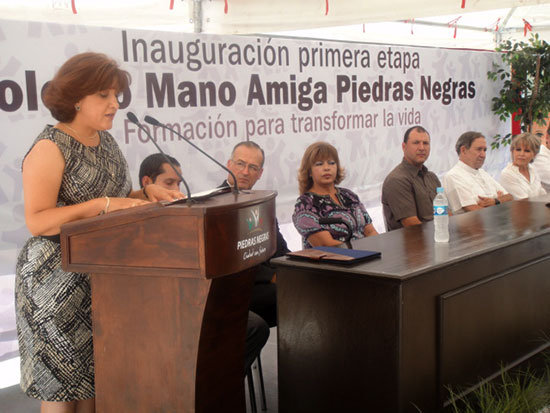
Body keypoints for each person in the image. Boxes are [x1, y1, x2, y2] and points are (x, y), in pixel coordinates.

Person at [15, 52, 183, 413]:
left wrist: (144, 194)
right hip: (53, 280)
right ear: (77, 97)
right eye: (104, 95)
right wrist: (103, 204)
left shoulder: (105, 142)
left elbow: (114, 200)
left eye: (116, 95)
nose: (115, 104)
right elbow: (39, 220)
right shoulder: (51, 146)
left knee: (95, 384)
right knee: (62, 392)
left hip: (101, 279)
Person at [139, 152, 269, 370]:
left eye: (179, 183)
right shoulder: (135, 220)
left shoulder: (181, 215)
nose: (176, 191)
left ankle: (214, 389)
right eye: (169, 183)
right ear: (147, 183)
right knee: (251, 327)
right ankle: (207, 388)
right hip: (160, 310)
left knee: (253, 326)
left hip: (192, 300)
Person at [220, 141, 289, 328]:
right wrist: (272, 276)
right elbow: (229, 259)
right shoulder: (216, 206)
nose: (245, 172)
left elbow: (279, 248)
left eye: (252, 167)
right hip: (234, 288)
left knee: (309, 286)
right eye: (240, 164)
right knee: (292, 297)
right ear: (229, 164)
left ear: (260, 174)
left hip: (264, 283)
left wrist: (295, 268)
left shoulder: (261, 200)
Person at [293, 141, 378, 248]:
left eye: (331, 163)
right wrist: (363, 251)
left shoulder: (349, 195)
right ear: (309, 171)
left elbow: (371, 232)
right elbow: (326, 245)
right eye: (319, 164)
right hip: (334, 261)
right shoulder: (305, 204)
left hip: (366, 256)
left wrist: (376, 249)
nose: (327, 168)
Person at [381, 126, 441, 231]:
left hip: (438, 238)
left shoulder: (432, 177)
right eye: (416, 143)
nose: (422, 148)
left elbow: (445, 212)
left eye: (425, 143)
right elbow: (412, 225)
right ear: (404, 147)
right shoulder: (396, 180)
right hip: (413, 244)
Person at [442, 131, 513, 214]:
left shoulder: (482, 172)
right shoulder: (453, 176)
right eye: (479, 149)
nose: (483, 155)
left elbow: (509, 197)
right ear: (463, 150)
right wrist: (500, 203)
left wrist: (495, 201)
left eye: (485, 150)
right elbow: (473, 211)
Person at [500, 133, 546, 199]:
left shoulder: (532, 169)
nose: (521, 154)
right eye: (518, 150)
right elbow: (524, 200)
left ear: (534, 154)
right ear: (512, 151)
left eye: (527, 151)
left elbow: (543, 194)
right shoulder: (507, 174)